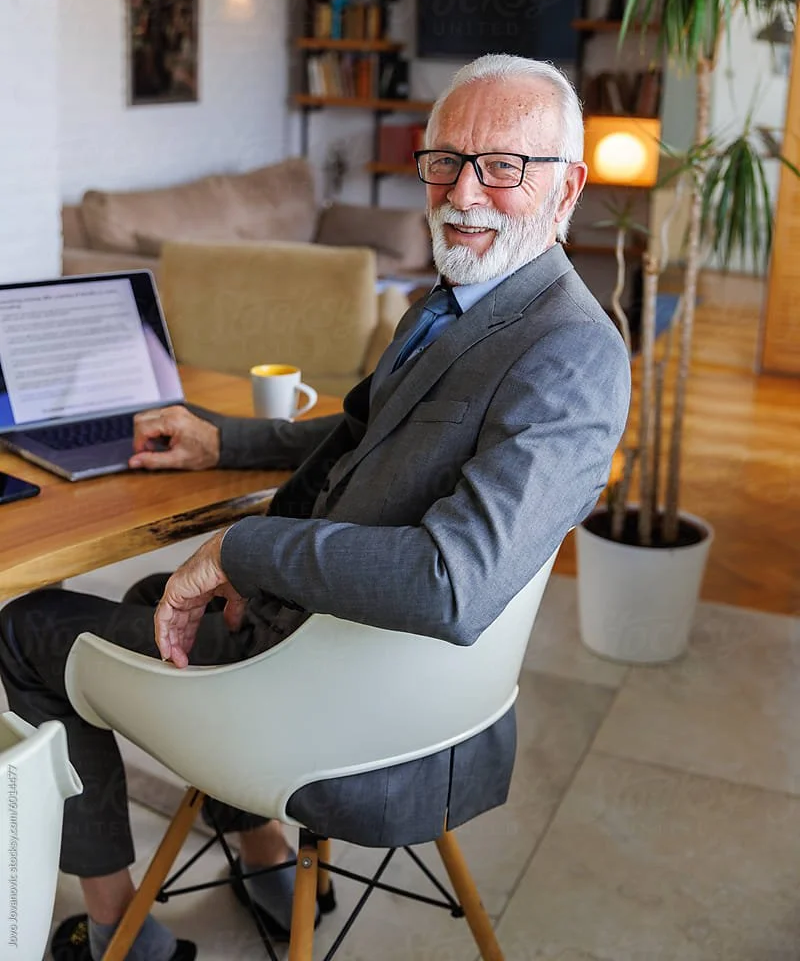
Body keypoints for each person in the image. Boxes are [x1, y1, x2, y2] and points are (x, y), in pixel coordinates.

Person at [0, 54, 631, 961]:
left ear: (566, 189)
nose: (463, 192)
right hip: (347, 672)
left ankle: (114, 933)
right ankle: (261, 850)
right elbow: (368, 432)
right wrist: (229, 442)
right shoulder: (462, 301)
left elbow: (452, 585)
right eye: (444, 160)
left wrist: (242, 549)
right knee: (152, 599)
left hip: (351, 728)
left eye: (502, 166)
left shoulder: (571, 355)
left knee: (29, 627)